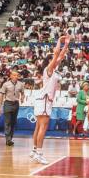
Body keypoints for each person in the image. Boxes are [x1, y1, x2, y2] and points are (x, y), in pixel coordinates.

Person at [30, 35, 70, 165]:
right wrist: (59, 41)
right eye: (53, 60)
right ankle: (39, 153)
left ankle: (34, 150)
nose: (57, 61)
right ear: (49, 61)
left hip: (42, 99)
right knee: (43, 126)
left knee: (38, 126)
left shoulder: (51, 70)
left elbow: (61, 55)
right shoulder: (49, 69)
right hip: (44, 100)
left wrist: (66, 44)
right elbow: (57, 54)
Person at [0, 70, 25, 146]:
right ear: (10, 76)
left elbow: (23, 93)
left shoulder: (21, 84)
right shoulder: (5, 84)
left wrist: (22, 98)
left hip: (16, 104)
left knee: (13, 122)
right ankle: (8, 139)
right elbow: (1, 96)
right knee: (7, 122)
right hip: (7, 103)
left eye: (17, 75)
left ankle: (10, 138)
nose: (15, 77)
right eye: (14, 75)